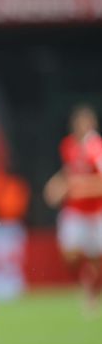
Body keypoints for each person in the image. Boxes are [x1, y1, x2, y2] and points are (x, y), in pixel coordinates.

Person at [44, 105, 102, 318]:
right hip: (75, 212)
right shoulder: (68, 145)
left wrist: (79, 187)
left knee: (98, 261)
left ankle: (92, 294)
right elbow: (69, 172)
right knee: (69, 255)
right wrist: (57, 184)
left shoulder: (97, 148)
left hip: (96, 211)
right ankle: (86, 280)